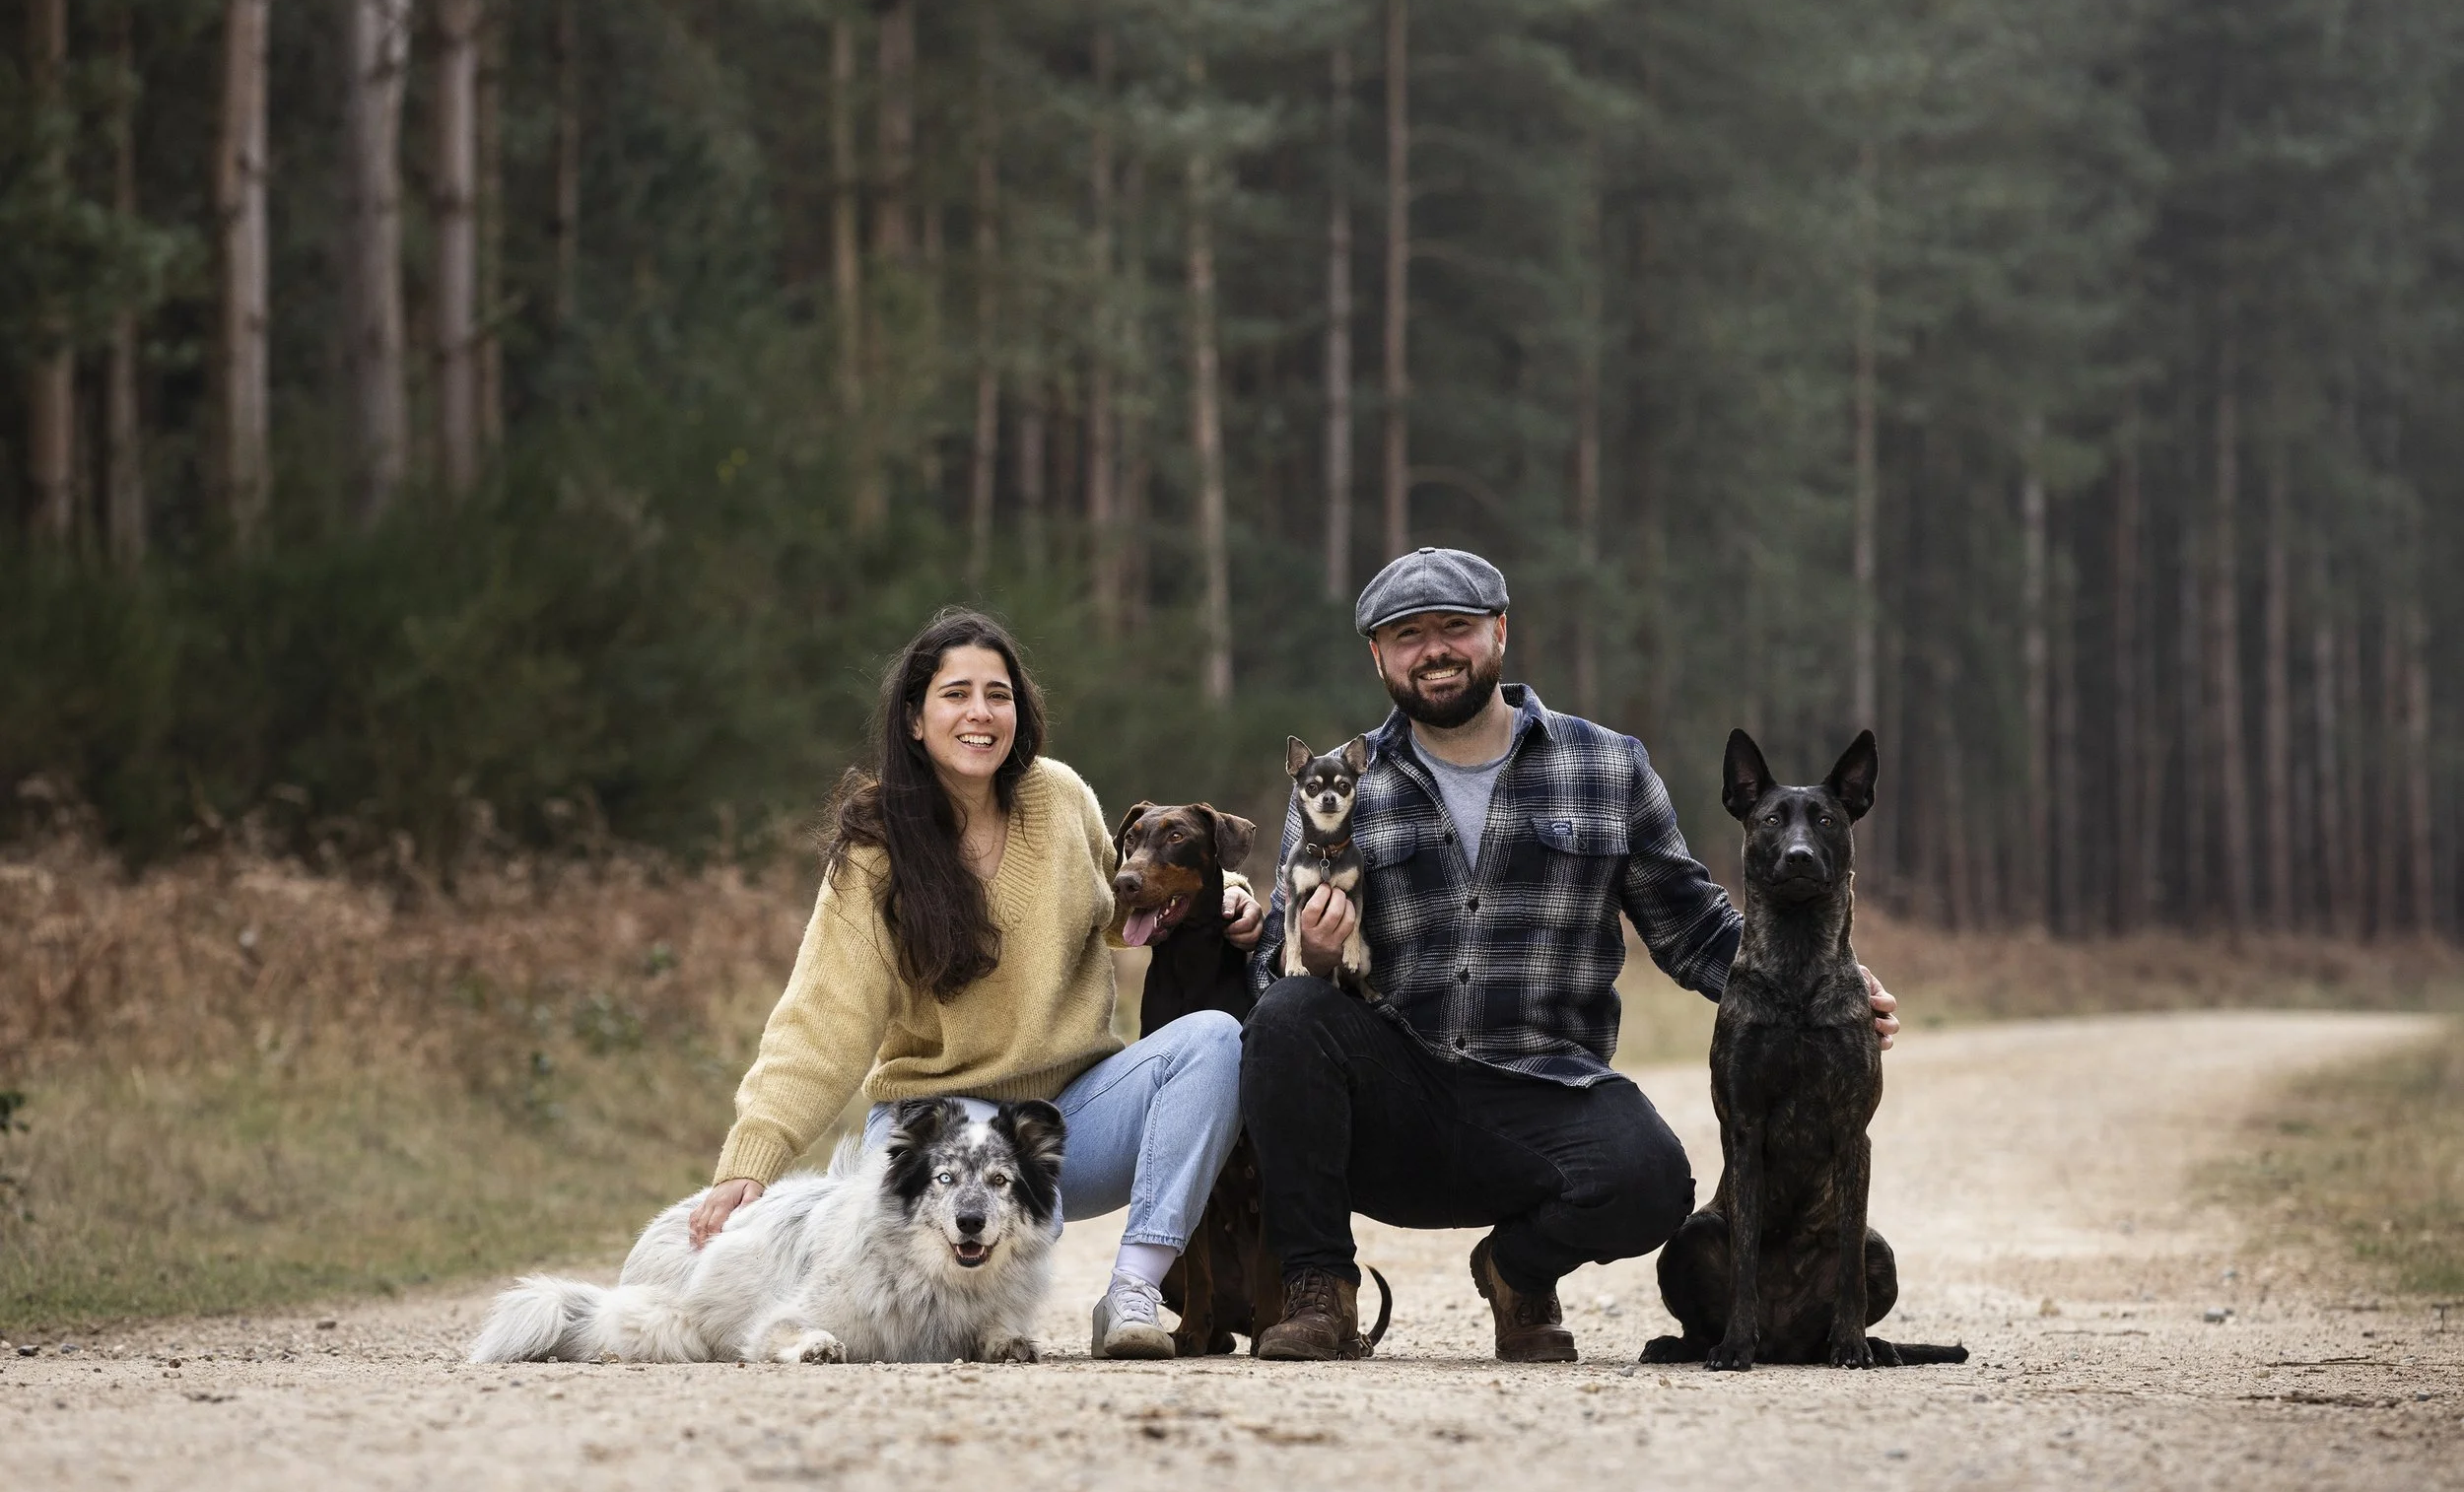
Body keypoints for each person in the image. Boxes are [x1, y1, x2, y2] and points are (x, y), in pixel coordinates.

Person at [1242, 548, 1900, 1362]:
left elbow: (1692, 925)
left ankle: (1518, 1271)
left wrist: (1838, 982)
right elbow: (1270, 960)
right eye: (1407, 635)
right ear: (1377, 655)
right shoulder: (1339, 784)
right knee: (1285, 1015)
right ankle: (1318, 1291)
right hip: (1394, 1096)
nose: (1434, 650)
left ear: (1500, 633)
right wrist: (1309, 951)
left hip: (1545, 1093)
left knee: (1655, 1180)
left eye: (1456, 627)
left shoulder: (1606, 765)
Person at [691, 608, 1263, 1358]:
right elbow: (820, 1022)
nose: (980, 713)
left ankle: (1133, 1289)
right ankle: (971, 1301)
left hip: (1068, 1120)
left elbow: (1122, 909)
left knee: (1215, 1041)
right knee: (986, 1194)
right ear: (915, 718)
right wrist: (750, 1160)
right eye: (956, 693)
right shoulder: (877, 853)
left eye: (998, 694)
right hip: (937, 1124)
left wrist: (1225, 899)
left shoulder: (1059, 797)